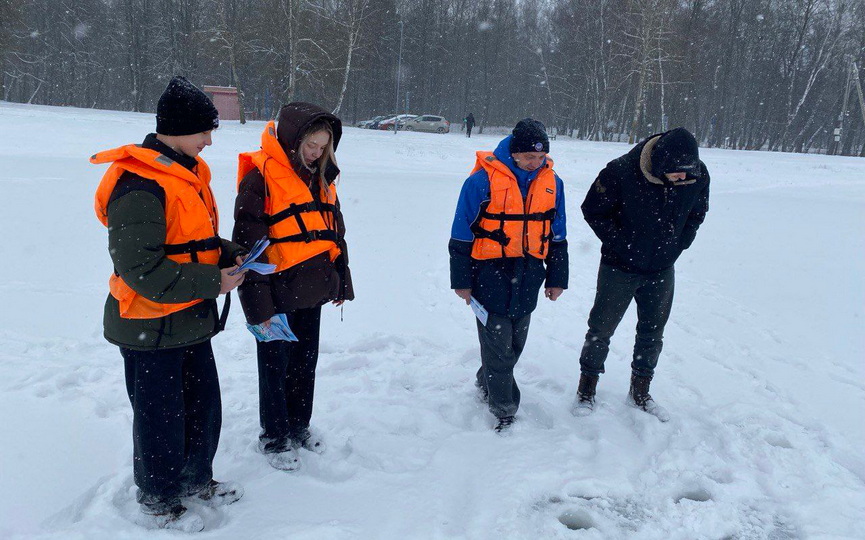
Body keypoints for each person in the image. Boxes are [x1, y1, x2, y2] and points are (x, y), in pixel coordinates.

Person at [91, 76, 246, 532]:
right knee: (160, 419)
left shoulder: (185, 172)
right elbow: (141, 269)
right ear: (176, 129)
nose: (209, 141)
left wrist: (228, 253)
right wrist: (212, 281)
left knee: (203, 408)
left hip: (188, 319)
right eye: (204, 131)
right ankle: (158, 500)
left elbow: (189, 240)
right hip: (149, 325)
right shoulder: (139, 184)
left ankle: (195, 479)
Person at [233, 102, 354, 471]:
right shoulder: (260, 179)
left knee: (305, 363)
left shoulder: (322, 179)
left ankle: (298, 425)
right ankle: (274, 438)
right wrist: (258, 309)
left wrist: (340, 282)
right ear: (292, 140)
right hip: (275, 295)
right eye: (310, 146)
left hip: (312, 290)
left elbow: (334, 234)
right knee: (275, 368)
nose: (316, 153)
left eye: (323, 147)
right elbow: (248, 249)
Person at [573, 127, 710, 421]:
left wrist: (680, 244)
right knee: (601, 330)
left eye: (687, 174)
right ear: (660, 163)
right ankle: (586, 389)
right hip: (619, 268)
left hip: (662, 268)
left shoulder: (697, 175)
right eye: (676, 173)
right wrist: (622, 245)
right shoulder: (620, 172)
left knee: (652, 333)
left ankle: (640, 391)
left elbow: (698, 213)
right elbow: (593, 210)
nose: (682, 179)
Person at [449, 118, 569, 433]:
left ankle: (486, 378)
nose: (536, 162)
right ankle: (504, 408)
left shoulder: (553, 183)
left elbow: (558, 235)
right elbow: (461, 233)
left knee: (514, 343)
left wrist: (557, 278)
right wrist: (461, 281)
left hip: (529, 275)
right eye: (529, 156)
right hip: (489, 274)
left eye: (541, 156)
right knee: (499, 346)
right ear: (513, 152)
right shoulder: (480, 182)